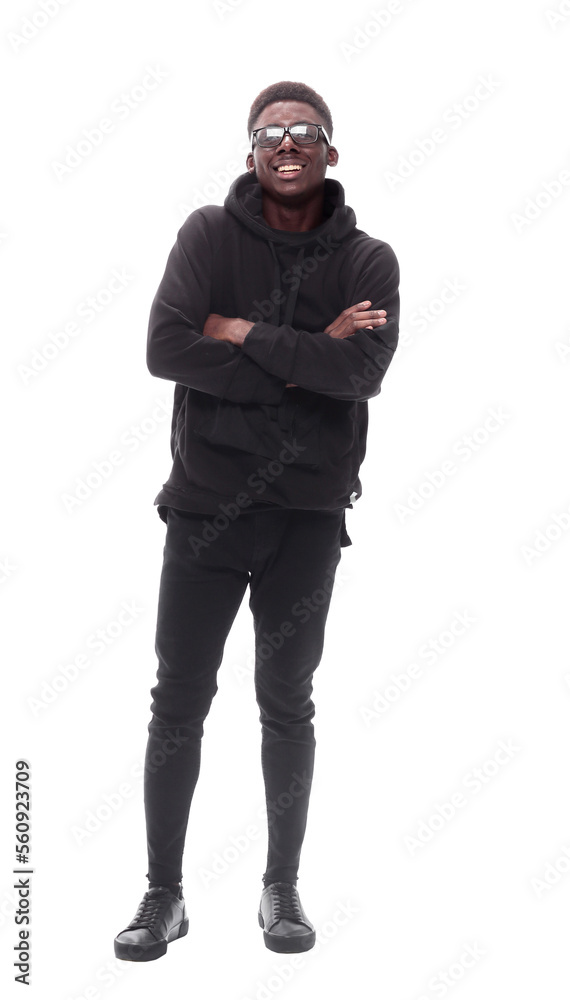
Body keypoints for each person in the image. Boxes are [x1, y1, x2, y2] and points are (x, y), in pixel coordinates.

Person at [113, 80, 399, 962]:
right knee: (178, 700)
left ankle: (281, 887)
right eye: (270, 132)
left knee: (287, 701)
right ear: (251, 152)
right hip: (204, 510)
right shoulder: (207, 234)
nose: (287, 142)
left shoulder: (369, 260)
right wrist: (309, 355)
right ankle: (164, 894)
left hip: (307, 517)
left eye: (304, 130)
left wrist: (239, 331)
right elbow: (166, 347)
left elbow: (361, 374)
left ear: (330, 151)